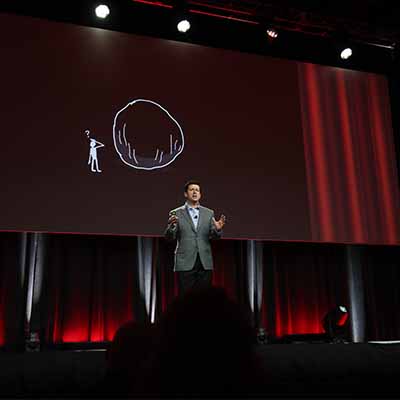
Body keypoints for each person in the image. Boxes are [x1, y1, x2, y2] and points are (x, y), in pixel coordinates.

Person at [164, 180, 226, 293]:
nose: (195, 192)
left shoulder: (209, 213)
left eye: (197, 190)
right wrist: (171, 227)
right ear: (186, 194)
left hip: (204, 261)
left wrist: (217, 229)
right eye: (191, 190)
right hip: (185, 261)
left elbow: (215, 237)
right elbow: (169, 237)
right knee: (185, 297)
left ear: (200, 194)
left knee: (204, 297)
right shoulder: (176, 213)